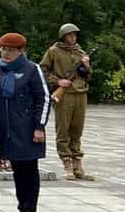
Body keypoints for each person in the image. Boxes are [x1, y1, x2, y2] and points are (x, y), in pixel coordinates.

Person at [0, 32, 51, 212]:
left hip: (27, 129)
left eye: (11, 50)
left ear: (21, 51)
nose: (6, 53)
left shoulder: (32, 69)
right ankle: (22, 209)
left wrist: (39, 127)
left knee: (29, 170)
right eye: (4, 49)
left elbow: (44, 98)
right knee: (17, 170)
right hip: (7, 131)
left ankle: (31, 211)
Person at [40, 23, 94, 181]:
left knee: (77, 130)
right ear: (63, 36)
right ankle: (67, 163)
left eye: (75, 34)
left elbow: (88, 76)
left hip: (80, 93)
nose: (73, 37)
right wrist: (58, 81)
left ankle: (77, 163)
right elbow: (43, 70)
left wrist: (87, 66)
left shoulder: (80, 52)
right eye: (70, 35)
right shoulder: (53, 51)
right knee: (63, 130)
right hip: (64, 95)